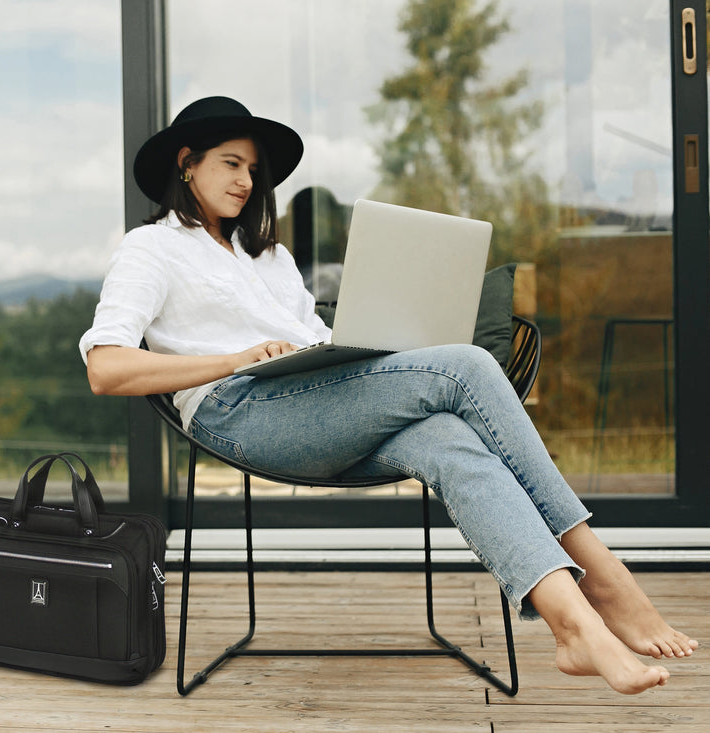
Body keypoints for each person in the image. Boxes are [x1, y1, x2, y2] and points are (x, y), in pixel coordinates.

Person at [78, 96, 697, 695]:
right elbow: (105, 368)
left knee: (449, 440)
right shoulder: (151, 248)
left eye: (252, 170)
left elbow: (314, 338)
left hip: (319, 403)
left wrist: (356, 348)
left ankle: (575, 627)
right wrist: (235, 359)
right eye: (231, 164)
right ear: (187, 162)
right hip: (240, 410)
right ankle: (609, 579)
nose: (245, 181)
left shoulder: (270, 258)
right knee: (466, 367)